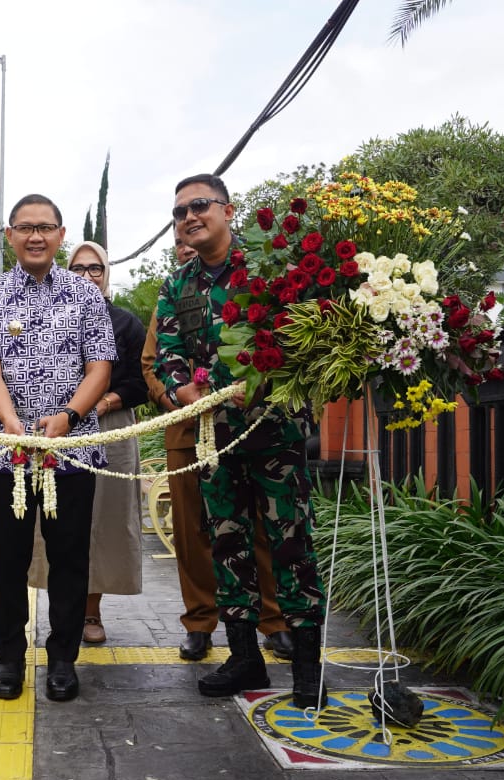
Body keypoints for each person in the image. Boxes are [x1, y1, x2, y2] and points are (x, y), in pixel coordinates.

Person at [154, 174, 325, 707]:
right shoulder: (176, 285)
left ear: (228, 210)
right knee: (227, 544)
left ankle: (306, 665)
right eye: (180, 210)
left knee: (290, 545)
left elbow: (302, 336)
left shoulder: (271, 270)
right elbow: (169, 347)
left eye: (199, 205)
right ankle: (245, 658)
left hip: (274, 431)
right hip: (215, 437)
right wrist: (185, 389)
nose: (189, 216)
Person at [0, 193, 115, 702]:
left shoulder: (85, 295)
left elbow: (100, 365)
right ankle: (8, 660)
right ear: (9, 235)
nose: (35, 236)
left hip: (72, 453)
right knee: (5, 558)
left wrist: (70, 417)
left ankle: (62, 659)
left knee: (69, 559)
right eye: (25, 227)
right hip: (4, 453)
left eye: (45, 227)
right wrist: (10, 423)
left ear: (60, 234)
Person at [142, 239, 294, 663]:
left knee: (256, 524)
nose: (189, 246)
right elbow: (150, 363)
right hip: (188, 430)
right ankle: (199, 621)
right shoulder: (172, 294)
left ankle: (273, 620)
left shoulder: (250, 282)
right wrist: (174, 398)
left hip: (247, 425)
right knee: (191, 532)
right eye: (179, 241)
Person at [28, 241, 145, 643]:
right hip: (55, 432)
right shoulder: (48, 316)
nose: (86, 277)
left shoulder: (126, 322)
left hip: (110, 429)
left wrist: (97, 405)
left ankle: (91, 613)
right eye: (78, 269)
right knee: (58, 520)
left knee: (105, 522)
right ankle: (64, 610)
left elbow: (140, 380)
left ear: (106, 274)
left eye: (95, 269)